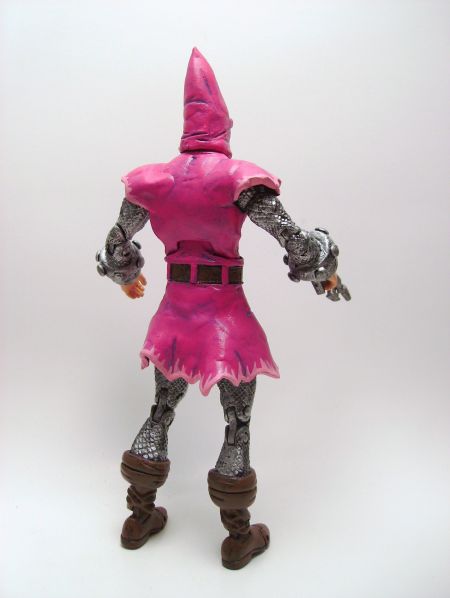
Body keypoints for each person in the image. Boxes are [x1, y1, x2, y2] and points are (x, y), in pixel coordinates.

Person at [96, 48, 348, 570]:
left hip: (174, 315)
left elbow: (116, 242)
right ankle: (237, 535)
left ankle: (139, 515)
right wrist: (324, 267)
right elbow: (294, 239)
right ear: (223, 123)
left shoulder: (153, 181)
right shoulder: (236, 179)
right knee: (237, 422)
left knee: (160, 410)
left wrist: (127, 275)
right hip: (227, 321)